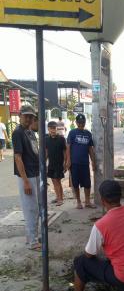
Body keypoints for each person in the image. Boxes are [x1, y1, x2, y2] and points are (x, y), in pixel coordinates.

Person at [12, 105, 40, 250]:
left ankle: (33, 236)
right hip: (27, 176)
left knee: (36, 208)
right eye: (26, 116)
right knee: (30, 209)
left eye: (31, 116)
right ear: (20, 115)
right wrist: (25, 181)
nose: (29, 119)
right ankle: (32, 242)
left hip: (34, 173)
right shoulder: (18, 133)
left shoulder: (29, 131)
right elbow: (18, 157)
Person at [66, 113, 96, 209]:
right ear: (76, 122)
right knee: (75, 183)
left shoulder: (88, 134)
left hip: (84, 163)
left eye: (82, 123)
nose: (81, 124)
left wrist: (93, 162)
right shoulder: (72, 133)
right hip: (74, 164)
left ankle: (87, 201)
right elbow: (68, 147)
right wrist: (68, 160)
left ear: (85, 123)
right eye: (79, 123)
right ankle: (78, 202)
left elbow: (90, 149)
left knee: (87, 183)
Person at [46, 121, 67, 206]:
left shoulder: (61, 139)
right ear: (48, 129)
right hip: (51, 164)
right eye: (51, 128)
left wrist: (65, 163)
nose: (53, 130)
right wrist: (44, 162)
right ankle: (59, 197)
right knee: (55, 182)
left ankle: (60, 199)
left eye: (54, 128)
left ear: (57, 129)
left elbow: (65, 152)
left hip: (59, 164)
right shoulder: (46, 139)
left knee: (57, 181)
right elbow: (46, 152)